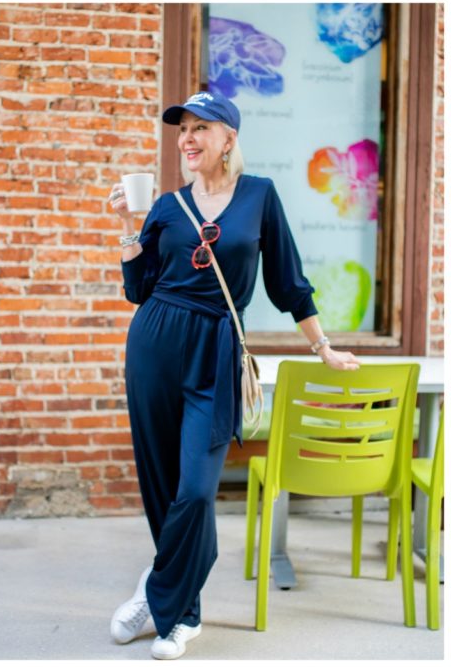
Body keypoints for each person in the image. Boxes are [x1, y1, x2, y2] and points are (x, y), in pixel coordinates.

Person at [108, 91, 360, 660]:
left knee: (195, 492)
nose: (188, 139)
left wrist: (323, 348)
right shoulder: (168, 207)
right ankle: (180, 615)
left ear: (229, 139)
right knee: (161, 486)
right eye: (182, 130)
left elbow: (288, 283)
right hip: (153, 344)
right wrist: (128, 224)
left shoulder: (259, 197)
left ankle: (156, 592)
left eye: (202, 128)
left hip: (215, 350)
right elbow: (136, 290)